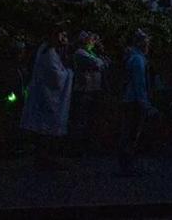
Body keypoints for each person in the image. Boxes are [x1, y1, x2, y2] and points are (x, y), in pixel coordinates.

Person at [20, 26, 74, 170]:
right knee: (46, 128)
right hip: (47, 97)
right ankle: (44, 158)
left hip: (45, 96)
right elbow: (56, 77)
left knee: (44, 128)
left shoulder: (46, 50)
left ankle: (44, 157)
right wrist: (69, 73)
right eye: (62, 35)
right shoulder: (49, 53)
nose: (64, 39)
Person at [118, 30, 158, 176]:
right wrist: (145, 103)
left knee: (129, 132)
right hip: (134, 101)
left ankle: (127, 163)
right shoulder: (138, 60)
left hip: (131, 99)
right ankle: (128, 164)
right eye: (147, 43)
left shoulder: (134, 58)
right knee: (133, 133)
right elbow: (139, 84)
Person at [71, 32, 110, 154]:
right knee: (81, 120)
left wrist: (101, 61)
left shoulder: (90, 53)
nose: (93, 42)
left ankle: (88, 146)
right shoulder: (80, 53)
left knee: (91, 119)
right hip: (83, 91)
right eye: (91, 40)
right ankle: (77, 148)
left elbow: (105, 63)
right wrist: (101, 61)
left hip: (92, 90)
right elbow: (98, 64)